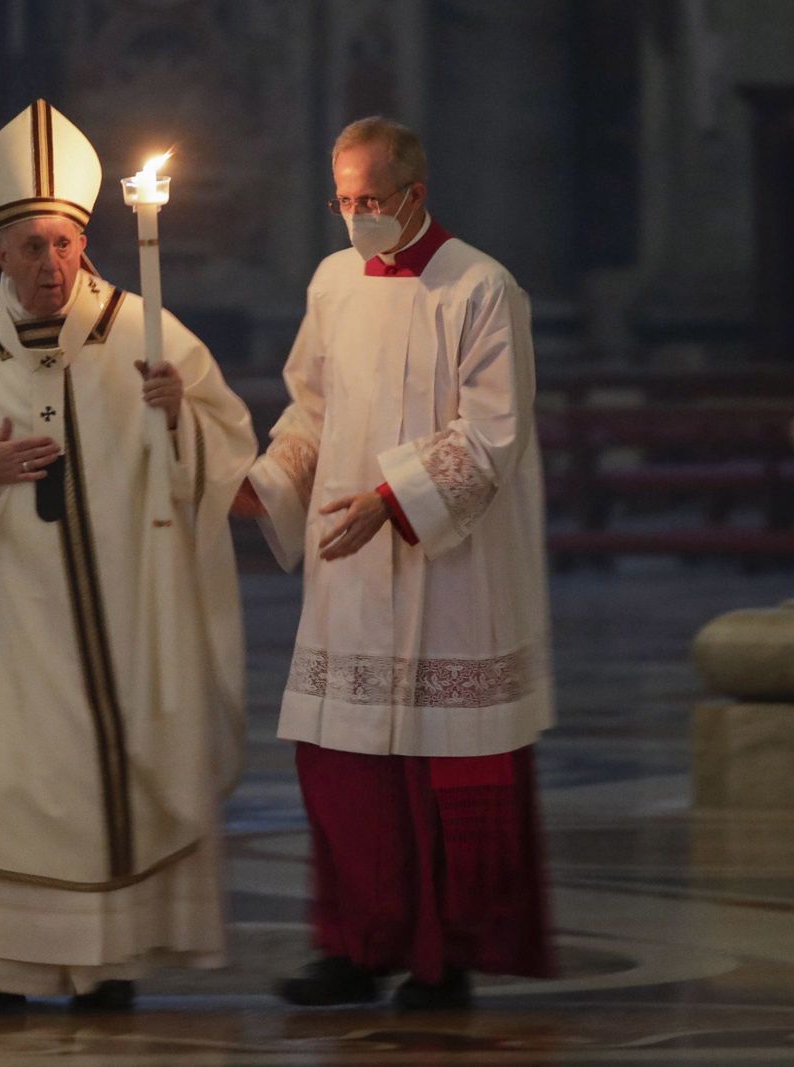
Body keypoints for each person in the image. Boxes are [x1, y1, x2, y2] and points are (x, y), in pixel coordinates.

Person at [0, 99, 256, 1014]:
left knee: (106, 777)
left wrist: (177, 417)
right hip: (2, 617)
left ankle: (105, 960)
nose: (48, 263)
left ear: (85, 244)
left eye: (62, 244)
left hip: (121, 618)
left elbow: (223, 453)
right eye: (29, 247)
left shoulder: (147, 337)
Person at [234, 116, 555, 1010]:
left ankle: (439, 955)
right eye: (342, 202)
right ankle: (355, 942)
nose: (356, 218)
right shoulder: (334, 282)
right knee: (346, 764)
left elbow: (494, 434)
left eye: (370, 200)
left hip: (445, 567)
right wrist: (269, 482)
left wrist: (391, 500)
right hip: (348, 566)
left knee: (436, 765)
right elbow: (311, 410)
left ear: (416, 193)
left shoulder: (482, 287)